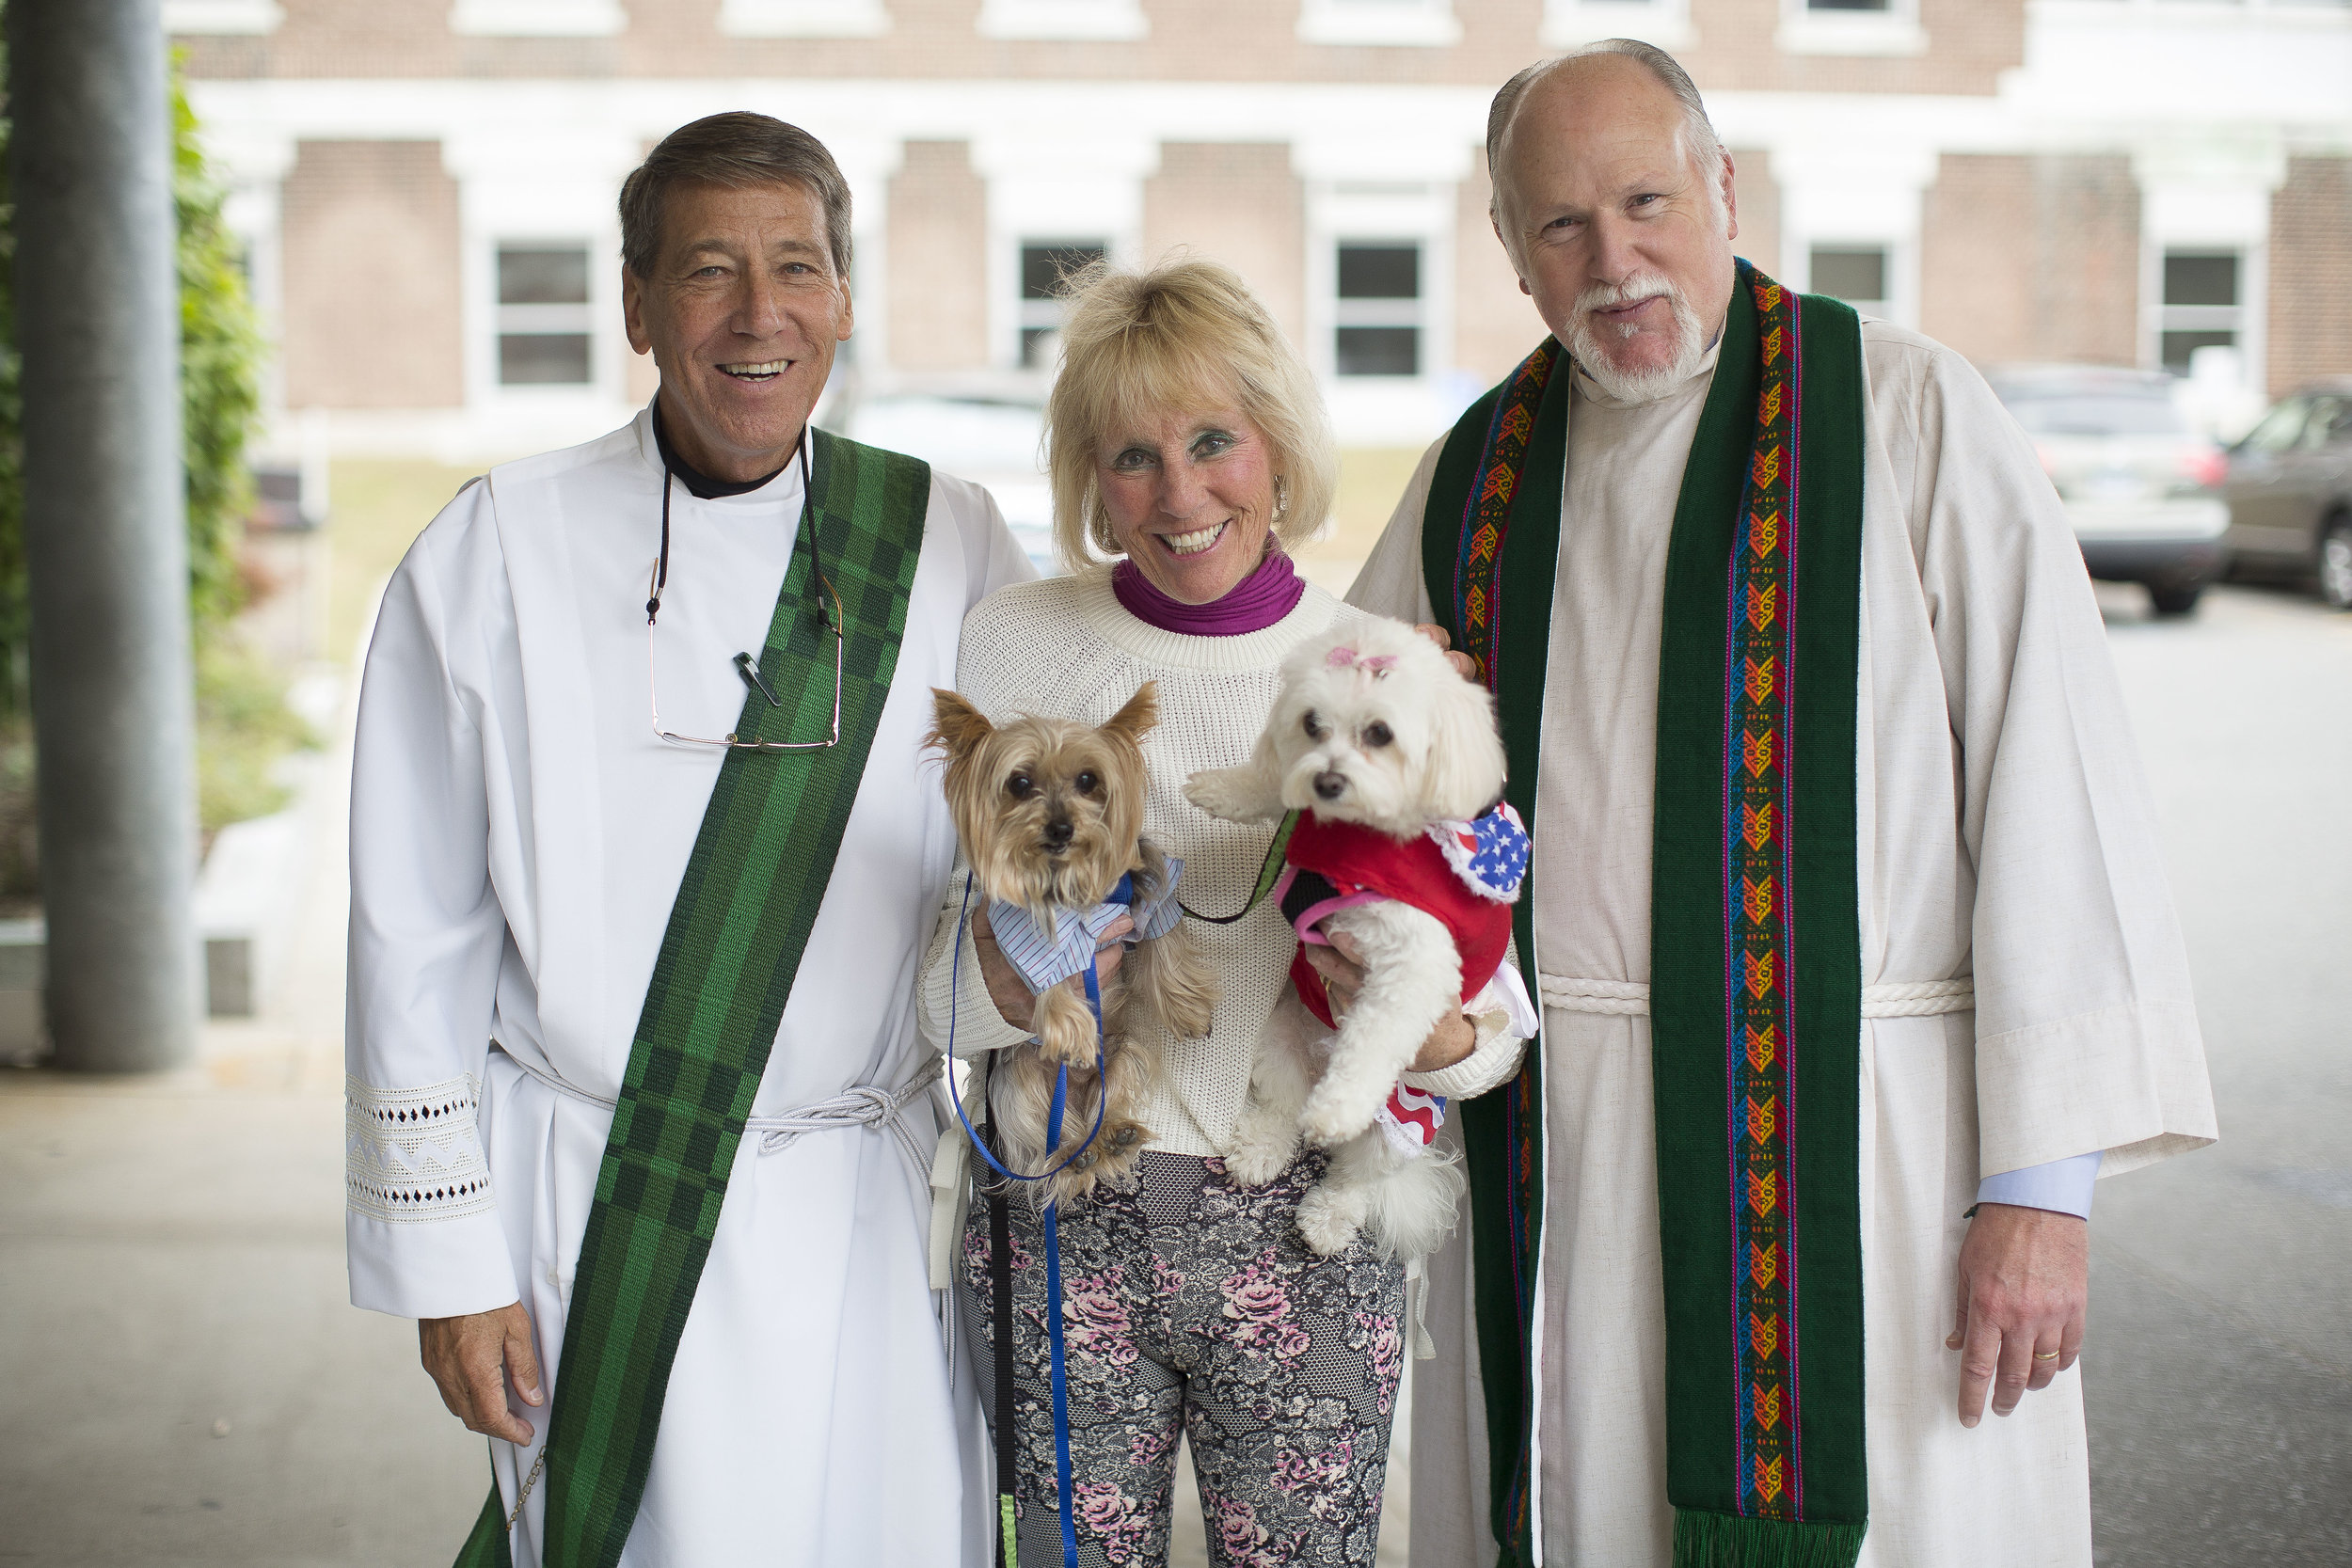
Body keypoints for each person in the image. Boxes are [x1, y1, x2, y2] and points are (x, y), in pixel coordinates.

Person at [1343, 42, 2218, 1568]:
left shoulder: (1905, 415)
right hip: (1567, 1153)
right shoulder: (1477, 476)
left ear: (1724, 188)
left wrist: (2040, 1191)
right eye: (1560, 225)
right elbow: (1343, 787)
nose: (1614, 261)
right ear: (1507, 247)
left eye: (1645, 201)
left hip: (1879, 1154)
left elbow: (2057, 789)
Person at [343, 112, 1033, 1567]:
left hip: (870, 1215)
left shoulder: (949, 535)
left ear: (845, 299)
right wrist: (448, 1260)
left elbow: (1048, 820)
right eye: (709, 270)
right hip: (605, 1213)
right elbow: (416, 930)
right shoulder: (494, 551)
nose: (758, 313)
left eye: (798, 267)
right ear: (638, 304)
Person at [914, 257, 1530, 1566]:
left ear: (1277, 446)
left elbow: (1495, 1023)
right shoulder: (1012, 646)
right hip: (1067, 1210)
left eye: (1213, 443)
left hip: (1307, 1222)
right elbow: (927, 985)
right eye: (1131, 456)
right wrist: (1027, 977)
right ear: (1089, 475)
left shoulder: (1374, 669)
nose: (1180, 494)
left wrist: (1415, 1035)